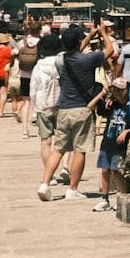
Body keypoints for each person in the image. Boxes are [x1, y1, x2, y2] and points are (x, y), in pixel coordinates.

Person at [41, 23, 113, 201]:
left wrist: (88, 36)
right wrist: (102, 33)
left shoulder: (60, 59)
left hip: (64, 109)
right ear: (79, 42)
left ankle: (44, 184)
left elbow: (74, 50)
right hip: (82, 108)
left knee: (58, 149)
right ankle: (72, 189)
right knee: (80, 150)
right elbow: (110, 50)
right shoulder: (88, 59)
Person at [91, 76, 130, 212]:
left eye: (121, 90)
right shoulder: (110, 105)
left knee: (116, 170)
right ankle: (104, 198)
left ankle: (123, 197)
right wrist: (103, 93)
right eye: (115, 90)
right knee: (104, 170)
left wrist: (126, 132)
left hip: (119, 145)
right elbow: (90, 106)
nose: (118, 93)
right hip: (107, 142)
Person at [29, 32, 64, 186]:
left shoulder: (39, 66)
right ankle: (66, 168)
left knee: (45, 141)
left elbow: (33, 89)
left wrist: (35, 106)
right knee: (64, 140)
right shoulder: (62, 62)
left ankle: (51, 174)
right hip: (61, 103)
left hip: (43, 105)